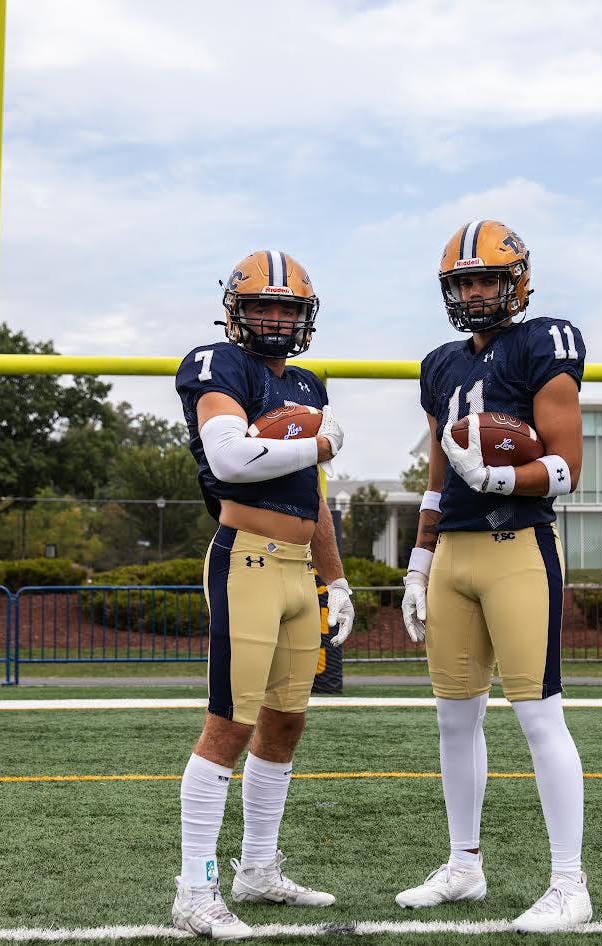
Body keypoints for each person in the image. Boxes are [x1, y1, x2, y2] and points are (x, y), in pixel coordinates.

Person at [397, 220, 591, 933]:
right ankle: (463, 866)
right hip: (453, 553)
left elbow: (567, 467)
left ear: (517, 282)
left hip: (516, 545)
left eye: (486, 280)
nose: (475, 293)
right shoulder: (440, 364)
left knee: (538, 716)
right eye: (463, 282)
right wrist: (418, 560)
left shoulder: (545, 341)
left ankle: (569, 884)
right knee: (454, 719)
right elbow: (437, 475)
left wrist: (501, 474)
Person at [170, 250, 356, 940]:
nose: (275, 319)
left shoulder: (306, 382)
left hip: (296, 567)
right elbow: (229, 458)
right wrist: (321, 446)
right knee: (230, 723)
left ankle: (257, 869)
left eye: (287, 308)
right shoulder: (218, 365)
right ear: (235, 310)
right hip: (244, 560)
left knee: (286, 721)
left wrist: (333, 577)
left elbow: (314, 497)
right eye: (262, 306)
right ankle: (194, 889)